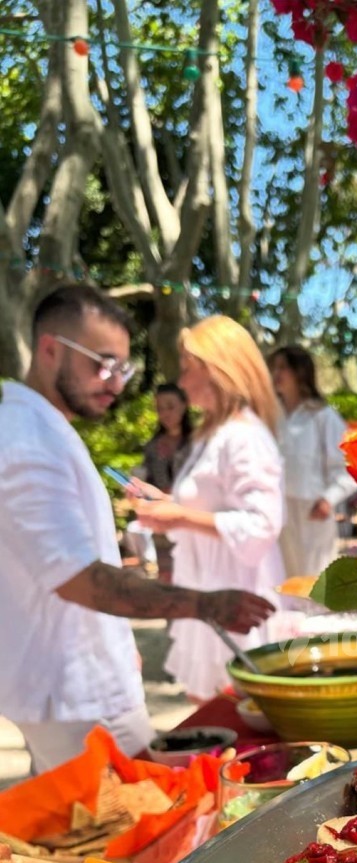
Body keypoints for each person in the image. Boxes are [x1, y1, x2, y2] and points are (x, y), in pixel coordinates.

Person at [0, 284, 275, 774]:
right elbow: (82, 579)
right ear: (49, 350)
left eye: (123, 368)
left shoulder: (37, 428)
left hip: (77, 684)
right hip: (75, 694)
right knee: (141, 838)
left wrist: (119, 644)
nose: (116, 383)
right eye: (102, 364)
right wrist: (206, 603)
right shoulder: (28, 439)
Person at [135, 316, 285, 702]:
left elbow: (262, 523)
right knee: (215, 708)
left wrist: (180, 516)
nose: (182, 382)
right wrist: (167, 504)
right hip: (213, 588)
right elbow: (213, 504)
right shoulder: (214, 433)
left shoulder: (243, 435)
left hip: (237, 597)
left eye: (188, 369)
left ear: (219, 370)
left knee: (232, 710)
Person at [268, 344, 357, 579]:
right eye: (274, 368)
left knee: (315, 582)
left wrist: (329, 499)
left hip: (313, 512)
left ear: (300, 373)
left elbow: (349, 467)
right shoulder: (271, 415)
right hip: (279, 512)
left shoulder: (323, 416)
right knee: (283, 582)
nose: (276, 374)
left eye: (283, 367)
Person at [130, 383, 193, 582]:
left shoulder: (199, 443)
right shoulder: (152, 446)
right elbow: (147, 482)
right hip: (163, 522)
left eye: (170, 406)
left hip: (193, 519)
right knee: (168, 578)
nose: (165, 413)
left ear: (184, 405)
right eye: (160, 408)